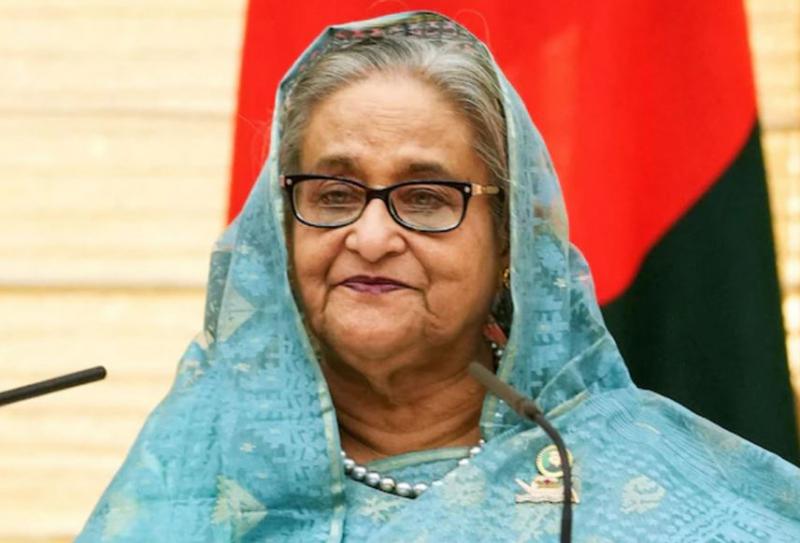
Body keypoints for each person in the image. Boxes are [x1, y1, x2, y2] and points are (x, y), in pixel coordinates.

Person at [77, 11, 800, 542]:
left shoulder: (648, 485)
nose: (370, 236)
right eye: (332, 194)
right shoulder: (189, 471)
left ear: (511, 240)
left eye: (425, 198)